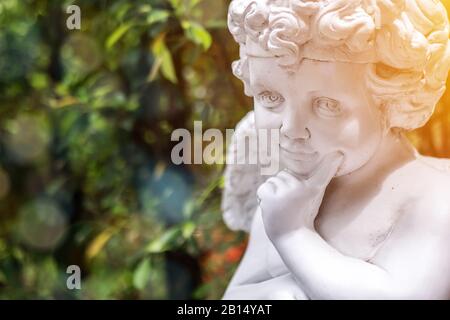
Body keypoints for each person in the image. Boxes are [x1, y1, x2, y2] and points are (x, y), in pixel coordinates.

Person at [221, 0, 450, 299]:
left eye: (326, 105)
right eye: (270, 97)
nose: (291, 128)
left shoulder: (434, 196)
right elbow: (235, 299)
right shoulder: (284, 197)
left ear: (393, 101)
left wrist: (294, 235)